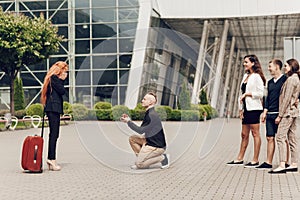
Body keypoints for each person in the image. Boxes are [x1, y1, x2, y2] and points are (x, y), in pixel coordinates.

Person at [227, 55, 266, 168]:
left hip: (254, 109)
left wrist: (248, 94)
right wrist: (240, 109)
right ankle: (239, 158)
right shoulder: (245, 76)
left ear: (253, 63)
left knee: (255, 134)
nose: (244, 64)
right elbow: (241, 93)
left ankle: (255, 160)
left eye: (246, 62)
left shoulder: (257, 77)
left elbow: (260, 94)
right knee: (244, 134)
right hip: (245, 109)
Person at [120, 92, 169, 169]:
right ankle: (144, 160)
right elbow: (143, 129)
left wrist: (128, 122)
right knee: (132, 139)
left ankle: (163, 158)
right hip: (149, 141)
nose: (142, 101)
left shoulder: (151, 115)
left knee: (139, 164)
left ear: (150, 102)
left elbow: (140, 130)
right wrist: (129, 120)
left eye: (144, 99)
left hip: (156, 146)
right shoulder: (149, 113)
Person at [256, 59, 289, 170]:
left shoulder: (286, 80)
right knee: (270, 137)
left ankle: (286, 162)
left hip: (281, 114)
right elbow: (267, 98)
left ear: (277, 67)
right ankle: (268, 162)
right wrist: (264, 111)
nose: (269, 68)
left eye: (270, 66)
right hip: (270, 114)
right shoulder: (269, 82)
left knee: (283, 138)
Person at [269, 58, 300, 174]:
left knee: (280, 137)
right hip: (293, 112)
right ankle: (294, 163)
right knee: (292, 138)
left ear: (292, 67)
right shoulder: (295, 78)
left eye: (286, 66)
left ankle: (282, 164)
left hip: (287, 113)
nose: (284, 68)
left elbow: (286, 99)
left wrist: (280, 116)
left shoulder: (292, 80)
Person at [41, 61, 68, 171]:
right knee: (54, 134)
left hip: (52, 108)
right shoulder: (54, 78)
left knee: (54, 134)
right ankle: (51, 159)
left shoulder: (51, 78)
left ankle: (51, 159)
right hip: (53, 109)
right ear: (60, 70)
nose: (66, 74)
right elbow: (62, 91)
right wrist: (62, 79)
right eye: (65, 71)